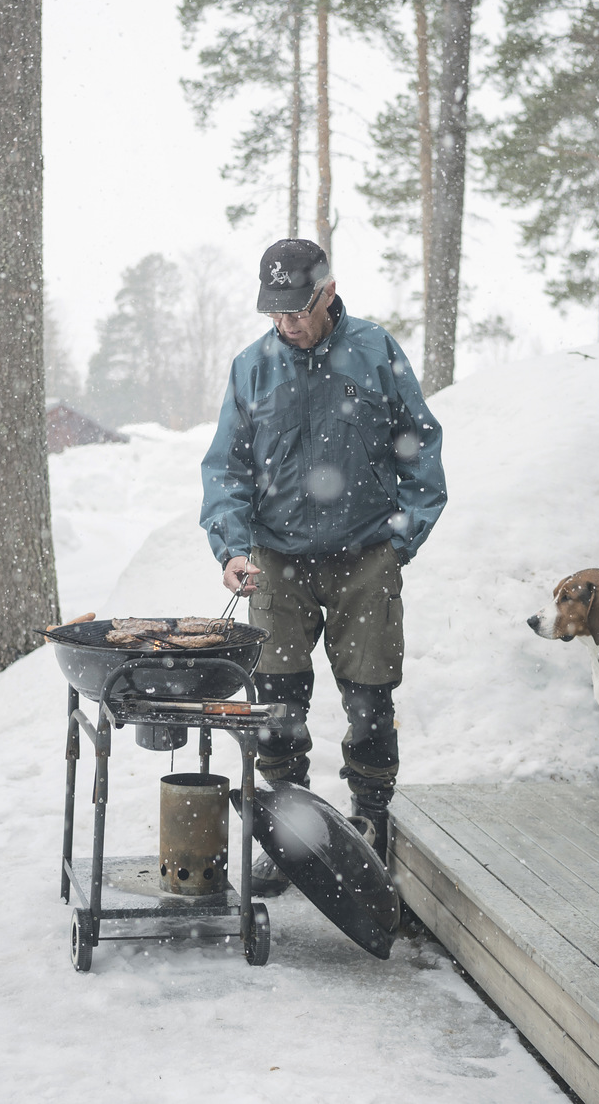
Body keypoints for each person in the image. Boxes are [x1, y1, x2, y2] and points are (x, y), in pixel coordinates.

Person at [199, 238, 446, 890]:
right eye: (275, 313)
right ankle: (291, 825)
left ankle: (371, 821)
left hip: (366, 555)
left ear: (327, 293)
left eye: (298, 310)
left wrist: (402, 543)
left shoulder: (373, 351)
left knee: (369, 697)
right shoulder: (252, 367)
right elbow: (227, 468)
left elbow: (419, 446)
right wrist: (233, 547)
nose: (288, 324)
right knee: (276, 701)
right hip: (276, 563)